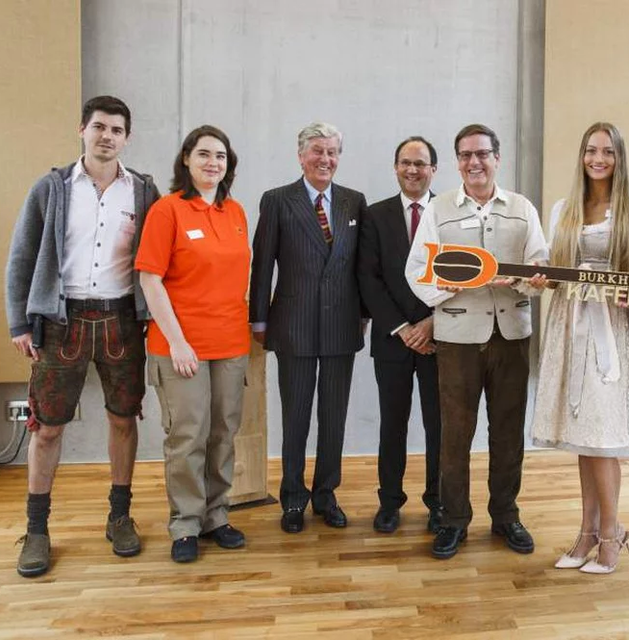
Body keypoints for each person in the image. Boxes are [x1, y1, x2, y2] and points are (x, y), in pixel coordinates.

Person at [6, 95, 159, 577]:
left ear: (127, 138)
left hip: (122, 323)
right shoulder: (52, 188)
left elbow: (158, 260)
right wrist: (19, 321)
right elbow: (21, 258)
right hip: (60, 322)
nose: (106, 136)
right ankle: (36, 529)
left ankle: (119, 516)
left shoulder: (143, 192)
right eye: (99, 127)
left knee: (122, 420)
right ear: (82, 130)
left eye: (116, 129)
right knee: (47, 427)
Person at [405, 123, 548, 559]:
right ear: (457, 162)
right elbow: (417, 269)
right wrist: (447, 287)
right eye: (465, 155)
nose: (474, 162)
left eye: (482, 154)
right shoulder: (439, 209)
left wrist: (529, 280)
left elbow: (538, 264)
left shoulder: (522, 208)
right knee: (455, 435)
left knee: (508, 433)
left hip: (511, 337)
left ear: (497, 158)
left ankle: (505, 516)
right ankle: (453, 520)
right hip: (458, 339)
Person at [531, 122, 629, 574]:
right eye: (591, 150)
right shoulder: (563, 209)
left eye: (607, 151)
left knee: (603, 439)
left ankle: (611, 532)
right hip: (569, 326)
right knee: (584, 439)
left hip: (612, 330)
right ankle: (587, 532)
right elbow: (554, 269)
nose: (598, 158)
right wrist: (538, 275)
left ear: (619, 158)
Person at [136, 125, 251, 563]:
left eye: (220, 156)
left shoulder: (236, 213)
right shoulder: (168, 210)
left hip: (230, 343)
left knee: (223, 432)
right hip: (179, 345)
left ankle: (216, 516)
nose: (212, 163)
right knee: (188, 436)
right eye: (204, 154)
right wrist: (180, 343)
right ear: (186, 159)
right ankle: (185, 523)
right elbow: (151, 278)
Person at [249, 123, 367, 533]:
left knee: (334, 417)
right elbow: (262, 263)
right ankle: (293, 498)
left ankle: (325, 494)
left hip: (341, 326)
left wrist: (365, 315)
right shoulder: (278, 200)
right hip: (293, 327)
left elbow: (361, 268)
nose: (325, 159)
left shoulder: (354, 202)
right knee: (296, 416)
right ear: (301, 155)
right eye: (317, 151)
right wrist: (259, 319)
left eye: (333, 152)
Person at [358, 136, 442, 534]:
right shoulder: (375, 216)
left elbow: (461, 277)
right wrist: (404, 327)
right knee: (393, 424)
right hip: (393, 339)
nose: (413, 170)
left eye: (421, 163)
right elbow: (368, 279)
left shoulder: (448, 214)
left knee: (439, 426)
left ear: (434, 170)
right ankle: (390, 501)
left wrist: (431, 324)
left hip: (441, 338)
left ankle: (438, 502)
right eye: (406, 163)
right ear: (395, 168)